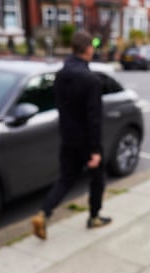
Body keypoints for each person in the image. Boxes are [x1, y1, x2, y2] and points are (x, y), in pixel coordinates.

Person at [31, 31, 111, 240]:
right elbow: (94, 119)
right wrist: (94, 150)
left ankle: (43, 213)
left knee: (66, 179)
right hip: (87, 142)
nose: (93, 49)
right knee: (97, 179)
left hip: (68, 138)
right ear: (87, 50)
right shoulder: (91, 80)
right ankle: (94, 217)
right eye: (92, 46)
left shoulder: (60, 75)